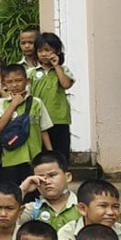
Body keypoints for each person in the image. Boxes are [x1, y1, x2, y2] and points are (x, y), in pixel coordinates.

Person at [30, 32, 76, 169]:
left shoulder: (63, 70)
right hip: (38, 120)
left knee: (60, 152)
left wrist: (57, 66)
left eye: (47, 50)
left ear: (56, 51)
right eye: (40, 51)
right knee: (43, 154)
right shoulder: (31, 72)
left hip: (58, 118)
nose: (43, 54)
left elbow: (66, 84)